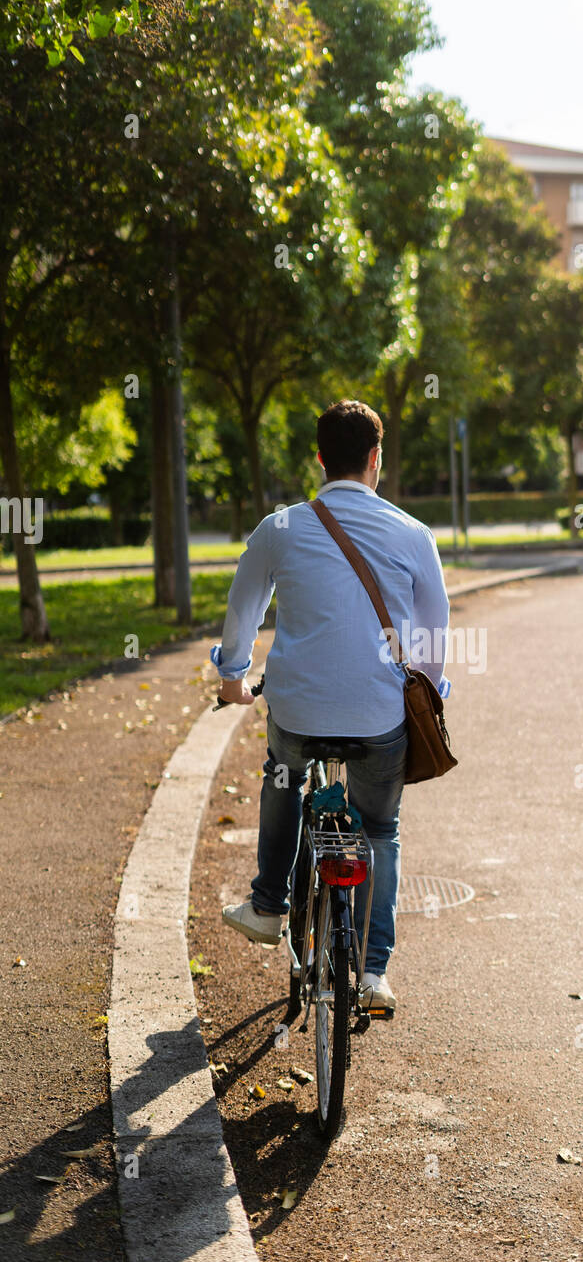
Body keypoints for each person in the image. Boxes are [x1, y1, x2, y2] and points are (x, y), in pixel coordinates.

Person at [211, 399, 451, 1010]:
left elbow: (243, 610)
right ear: (377, 459)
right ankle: (373, 974)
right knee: (381, 829)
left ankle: (269, 906)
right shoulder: (412, 533)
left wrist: (233, 677)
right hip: (381, 720)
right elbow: (433, 631)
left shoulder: (279, 528)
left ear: (319, 459)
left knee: (284, 779)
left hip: (297, 712)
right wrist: (430, 688)